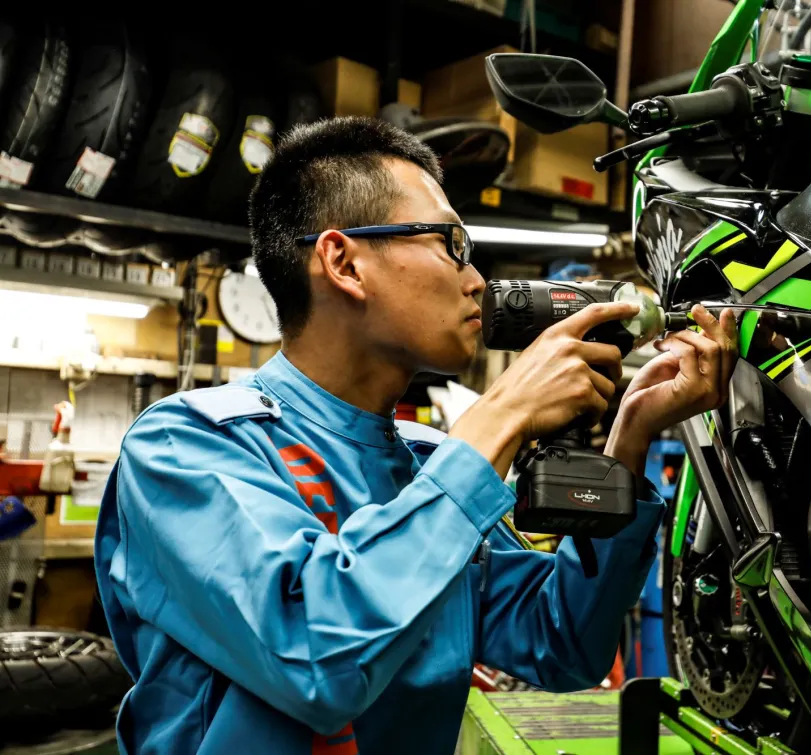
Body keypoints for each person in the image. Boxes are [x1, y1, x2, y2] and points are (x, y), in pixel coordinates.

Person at [94, 116, 737, 755]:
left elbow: (561, 640)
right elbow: (316, 660)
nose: (477, 280)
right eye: (451, 244)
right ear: (343, 261)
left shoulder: (429, 468)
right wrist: (500, 414)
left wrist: (628, 440)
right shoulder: (186, 447)